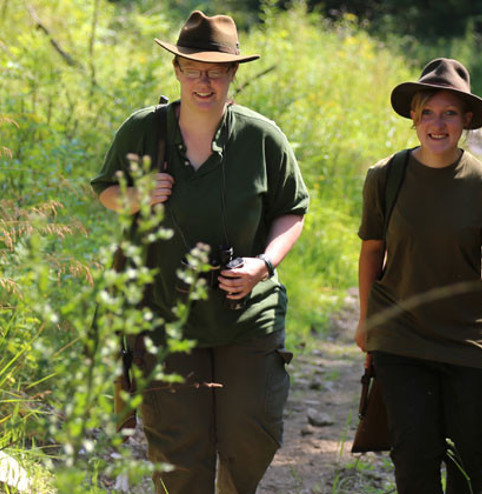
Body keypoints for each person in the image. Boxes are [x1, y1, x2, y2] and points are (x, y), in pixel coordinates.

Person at [91, 11, 309, 494]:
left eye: (216, 71)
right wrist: (135, 195)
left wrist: (263, 264)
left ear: (233, 74)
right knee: (177, 450)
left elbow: (291, 211)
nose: (204, 82)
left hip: (246, 314)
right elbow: (106, 190)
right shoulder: (144, 131)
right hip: (163, 313)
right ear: (176, 71)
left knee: (252, 435)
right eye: (193, 69)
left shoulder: (260, 136)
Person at [354, 58, 482, 494]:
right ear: (414, 117)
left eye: (449, 113)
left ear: (466, 121)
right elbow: (372, 251)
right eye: (428, 112)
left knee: (471, 461)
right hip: (401, 338)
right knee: (414, 457)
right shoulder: (386, 176)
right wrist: (366, 319)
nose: (438, 123)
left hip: (468, 343)